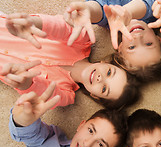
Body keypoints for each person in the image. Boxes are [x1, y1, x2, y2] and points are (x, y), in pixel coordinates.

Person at [0, 13, 140, 109]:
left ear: (95, 96)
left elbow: (44, 94)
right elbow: (60, 27)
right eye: (109, 72)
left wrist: (25, 83)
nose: (100, 78)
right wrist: (35, 23)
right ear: (106, 63)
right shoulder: (83, 41)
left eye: (104, 89)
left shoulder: (66, 95)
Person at [65, 0, 161, 82]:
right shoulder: (159, 12)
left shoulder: (112, 23)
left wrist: (88, 10)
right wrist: (128, 12)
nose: (138, 37)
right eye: (148, 43)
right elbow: (150, 0)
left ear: (120, 49)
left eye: (132, 47)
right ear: (159, 40)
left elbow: (101, 11)